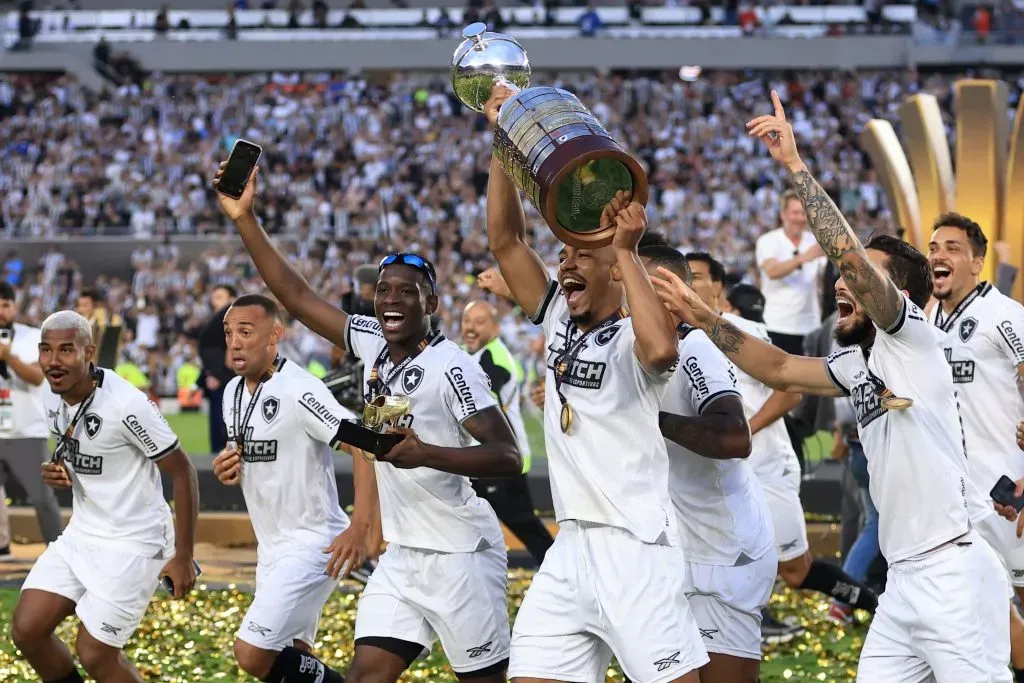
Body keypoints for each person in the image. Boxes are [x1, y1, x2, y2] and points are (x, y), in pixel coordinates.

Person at [652, 90, 1011, 681]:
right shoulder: (856, 363)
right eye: (844, 276)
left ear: (893, 295)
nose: (842, 283)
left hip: (955, 577)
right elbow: (778, 369)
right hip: (904, 586)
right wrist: (700, 313)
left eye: (860, 277)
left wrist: (795, 166)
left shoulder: (912, 339)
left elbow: (849, 259)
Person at [213, 158, 523, 683]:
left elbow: (507, 456)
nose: (392, 300)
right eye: (384, 291)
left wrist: (426, 453)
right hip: (403, 556)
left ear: (433, 303)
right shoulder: (372, 341)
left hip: (459, 554)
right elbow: (297, 297)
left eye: (407, 291)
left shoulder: (454, 368)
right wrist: (245, 218)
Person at [483, 87, 706, 683]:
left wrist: (625, 250)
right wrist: (505, 139)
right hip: (571, 547)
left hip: (637, 550)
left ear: (617, 271)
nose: (565, 264)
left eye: (580, 254)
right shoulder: (559, 314)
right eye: (561, 254)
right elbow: (505, 241)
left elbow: (662, 351)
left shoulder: (639, 331)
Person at [11, 310, 199, 683]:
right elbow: (82, 450)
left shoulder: (127, 405)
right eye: (46, 350)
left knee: (96, 654)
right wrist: (57, 471)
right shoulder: (53, 396)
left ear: (89, 352)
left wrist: (184, 555)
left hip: (136, 541)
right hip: (84, 532)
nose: (53, 361)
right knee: (27, 630)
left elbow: (183, 472)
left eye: (66, 350)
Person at [213, 294, 378, 683]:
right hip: (271, 546)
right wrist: (228, 467)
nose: (235, 341)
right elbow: (251, 453)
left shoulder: (301, 389)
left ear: (274, 336)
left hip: (313, 542)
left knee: (251, 653)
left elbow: (364, 444)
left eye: (246, 332)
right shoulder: (232, 394)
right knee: (292, 656)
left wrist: (360, 527)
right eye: (229, 332)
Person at [638, 239, 774, 683]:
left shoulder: (698, 349)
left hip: (720, 556)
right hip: (670, 552)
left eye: (628, 282)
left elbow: (735, 436)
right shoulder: (627, 350)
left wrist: (649, 419)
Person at [926, 211, 1024, 680]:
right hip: (957, 497)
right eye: (933, 248)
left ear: (977, 263)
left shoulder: (1004, 316)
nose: (938, 256)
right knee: (986, 611)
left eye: (951, 248)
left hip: (1009, 490)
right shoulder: (926, 317)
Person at [461, 299, 554, 566]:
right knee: (466, 522)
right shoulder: (472, 354)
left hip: (503, 460)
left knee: (524, 524)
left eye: (479, 322)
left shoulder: (494, 358)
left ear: (495, 328)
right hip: (483, 458)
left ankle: (562, 573)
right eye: (467, 321)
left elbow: (480, 413)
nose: (471, 328)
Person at [0, 281, 63, 556]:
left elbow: (38, 377)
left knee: (41, 497)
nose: (1, 311)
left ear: (15, 306)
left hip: (27, 430)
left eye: (5, 305)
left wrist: (8, 357)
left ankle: (60, 552)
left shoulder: (33, 337)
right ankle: (2, 546)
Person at [755, 189, 826, 355]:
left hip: (811, 325)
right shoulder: (768, 241)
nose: (800, 218)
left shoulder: (814, 240)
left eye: (803, 213)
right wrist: (804, 258)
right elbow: (772, 271)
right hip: (776, 323)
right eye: (795, 213)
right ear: (783, 214)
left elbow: (824, 275)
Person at [196, 283, 237, 454]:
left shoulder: (232, 322)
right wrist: (210, 373)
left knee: (225, 427)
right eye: (213, 298)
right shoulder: (214, 325)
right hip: (216, 380)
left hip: (227, 380)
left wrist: (218, 374)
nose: (214, 302)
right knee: (216, 427)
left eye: (220, 297)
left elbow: (231, 359)